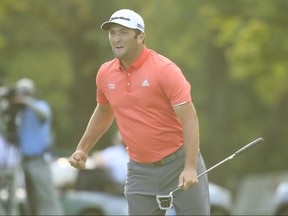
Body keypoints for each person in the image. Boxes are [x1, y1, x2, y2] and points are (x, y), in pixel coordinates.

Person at [69, 9, 210, 215]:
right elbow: (104, 110)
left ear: (141, 36)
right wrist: (83, 149)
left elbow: (190, 118)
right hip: (139, 170)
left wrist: (190, 166)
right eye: (112, 33)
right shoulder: (105, 73)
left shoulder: (164, 70)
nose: (116, 39)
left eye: (124, 32)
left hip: (179, 162)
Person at [13, 78, 64, 215]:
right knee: (31, 201)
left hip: (39, 160)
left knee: (47, 198)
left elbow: (44, 115)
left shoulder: (40, 106)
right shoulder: (19, 113)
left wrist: (27, 102)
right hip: (24, 161)